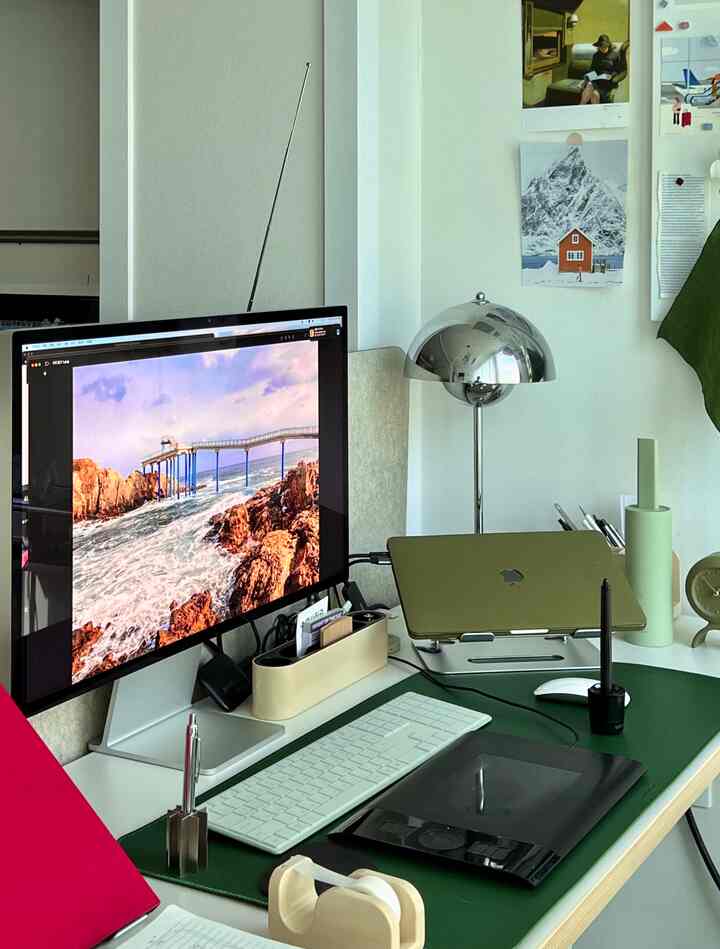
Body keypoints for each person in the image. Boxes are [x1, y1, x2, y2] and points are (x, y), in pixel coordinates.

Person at [580, 34, 629, 105]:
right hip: (597, 81)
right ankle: (582, 105)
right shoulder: (596, 55)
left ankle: (581, 106)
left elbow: (619, 71)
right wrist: (588, 77)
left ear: (608, 45)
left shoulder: (615, 55)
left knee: (594, 93)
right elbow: (592, 69)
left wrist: (612, 76)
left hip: (608, 82)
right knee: (592, 89)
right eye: (600, 47)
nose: (602, 49)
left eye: (604, 47)